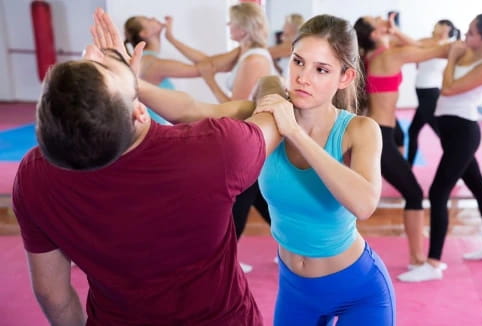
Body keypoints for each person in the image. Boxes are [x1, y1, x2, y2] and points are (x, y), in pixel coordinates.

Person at [12, 8, 285, 325]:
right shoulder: (214, 150)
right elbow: (273, 116)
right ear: (140, 112)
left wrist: (122, 81)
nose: (92, 51)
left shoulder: (35, 176)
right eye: (94, 65)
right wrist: (268, 81)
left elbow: (52, 294)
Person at [256, 14, 395, 325]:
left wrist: (295, 133)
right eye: (298, 62)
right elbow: (193, 111)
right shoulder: (270, 115)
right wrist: (131, 82)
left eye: (321, 69)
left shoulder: (359, 129)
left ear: (345, 77)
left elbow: (364, 204)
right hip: (295, 291)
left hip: (360, 293)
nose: (303, 77)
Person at [398, 12, 482, 282]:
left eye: (472, 32)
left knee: (439, 192)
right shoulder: (464, 53)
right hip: (451, 132)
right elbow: (423, 50)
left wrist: (451, 57)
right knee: (479, 187)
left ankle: (433, 263)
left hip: (464, 133)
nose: (465, 36)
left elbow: (449, 89)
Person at [166, 2, 278, 272]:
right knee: (260, 199)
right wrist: (172, 38)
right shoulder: (243, 52)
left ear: (244, 27)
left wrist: (209, 81)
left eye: (232, 23)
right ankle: (294, 245)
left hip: (253, 136)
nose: (229, 27)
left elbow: (235, 108)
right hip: (250, 136)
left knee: (241, 196)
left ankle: (226, 262)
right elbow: (206, 62)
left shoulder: (255, 60)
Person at [354, 15, 451, 271]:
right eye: (377, 21)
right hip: (379, 137)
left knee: (410, 194)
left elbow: (421, 47)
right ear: (375, 35)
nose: (382, 19)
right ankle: (417, 259)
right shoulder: (388, 56)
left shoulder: (377, 56)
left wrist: (395, 32)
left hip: (377, 132)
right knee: (414, 194)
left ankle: (416, 257)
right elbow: (436, 50)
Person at [123, 15, 199, 124]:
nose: (153, 18)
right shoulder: (151, 63)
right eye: (148, 20)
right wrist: (172, 38)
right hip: (159, 135)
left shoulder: (148, 60)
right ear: (144, 34)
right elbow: (205, 68)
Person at [408, 19, 460, 165]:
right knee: (413, 131)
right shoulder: (428, 41)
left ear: (448, 31)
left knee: (442, 135)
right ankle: (408, 168)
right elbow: (413, 48)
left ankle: (459, 167)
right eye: (439, 25)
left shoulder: (442, 45)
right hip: (424, 95)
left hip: (430, 95)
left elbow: (414, 44)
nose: (440, 28)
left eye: (444, 26)